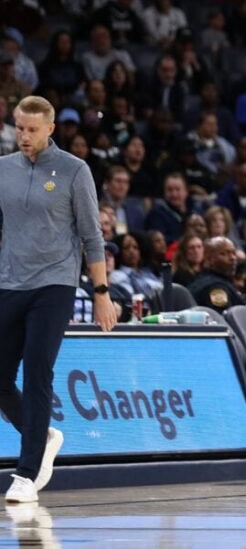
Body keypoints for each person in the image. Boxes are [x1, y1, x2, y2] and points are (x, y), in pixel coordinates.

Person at [0, 96, 116, 503]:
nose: (24, 136)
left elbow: (91, 236)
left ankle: (26, 474)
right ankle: (44, 435)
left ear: (50, 128)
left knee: (36, 372)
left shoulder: (73, 170)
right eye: (19, 127)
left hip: (55, 284)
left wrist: (101, 293)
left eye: (32, 129)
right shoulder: (3, 170)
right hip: (9, 283)